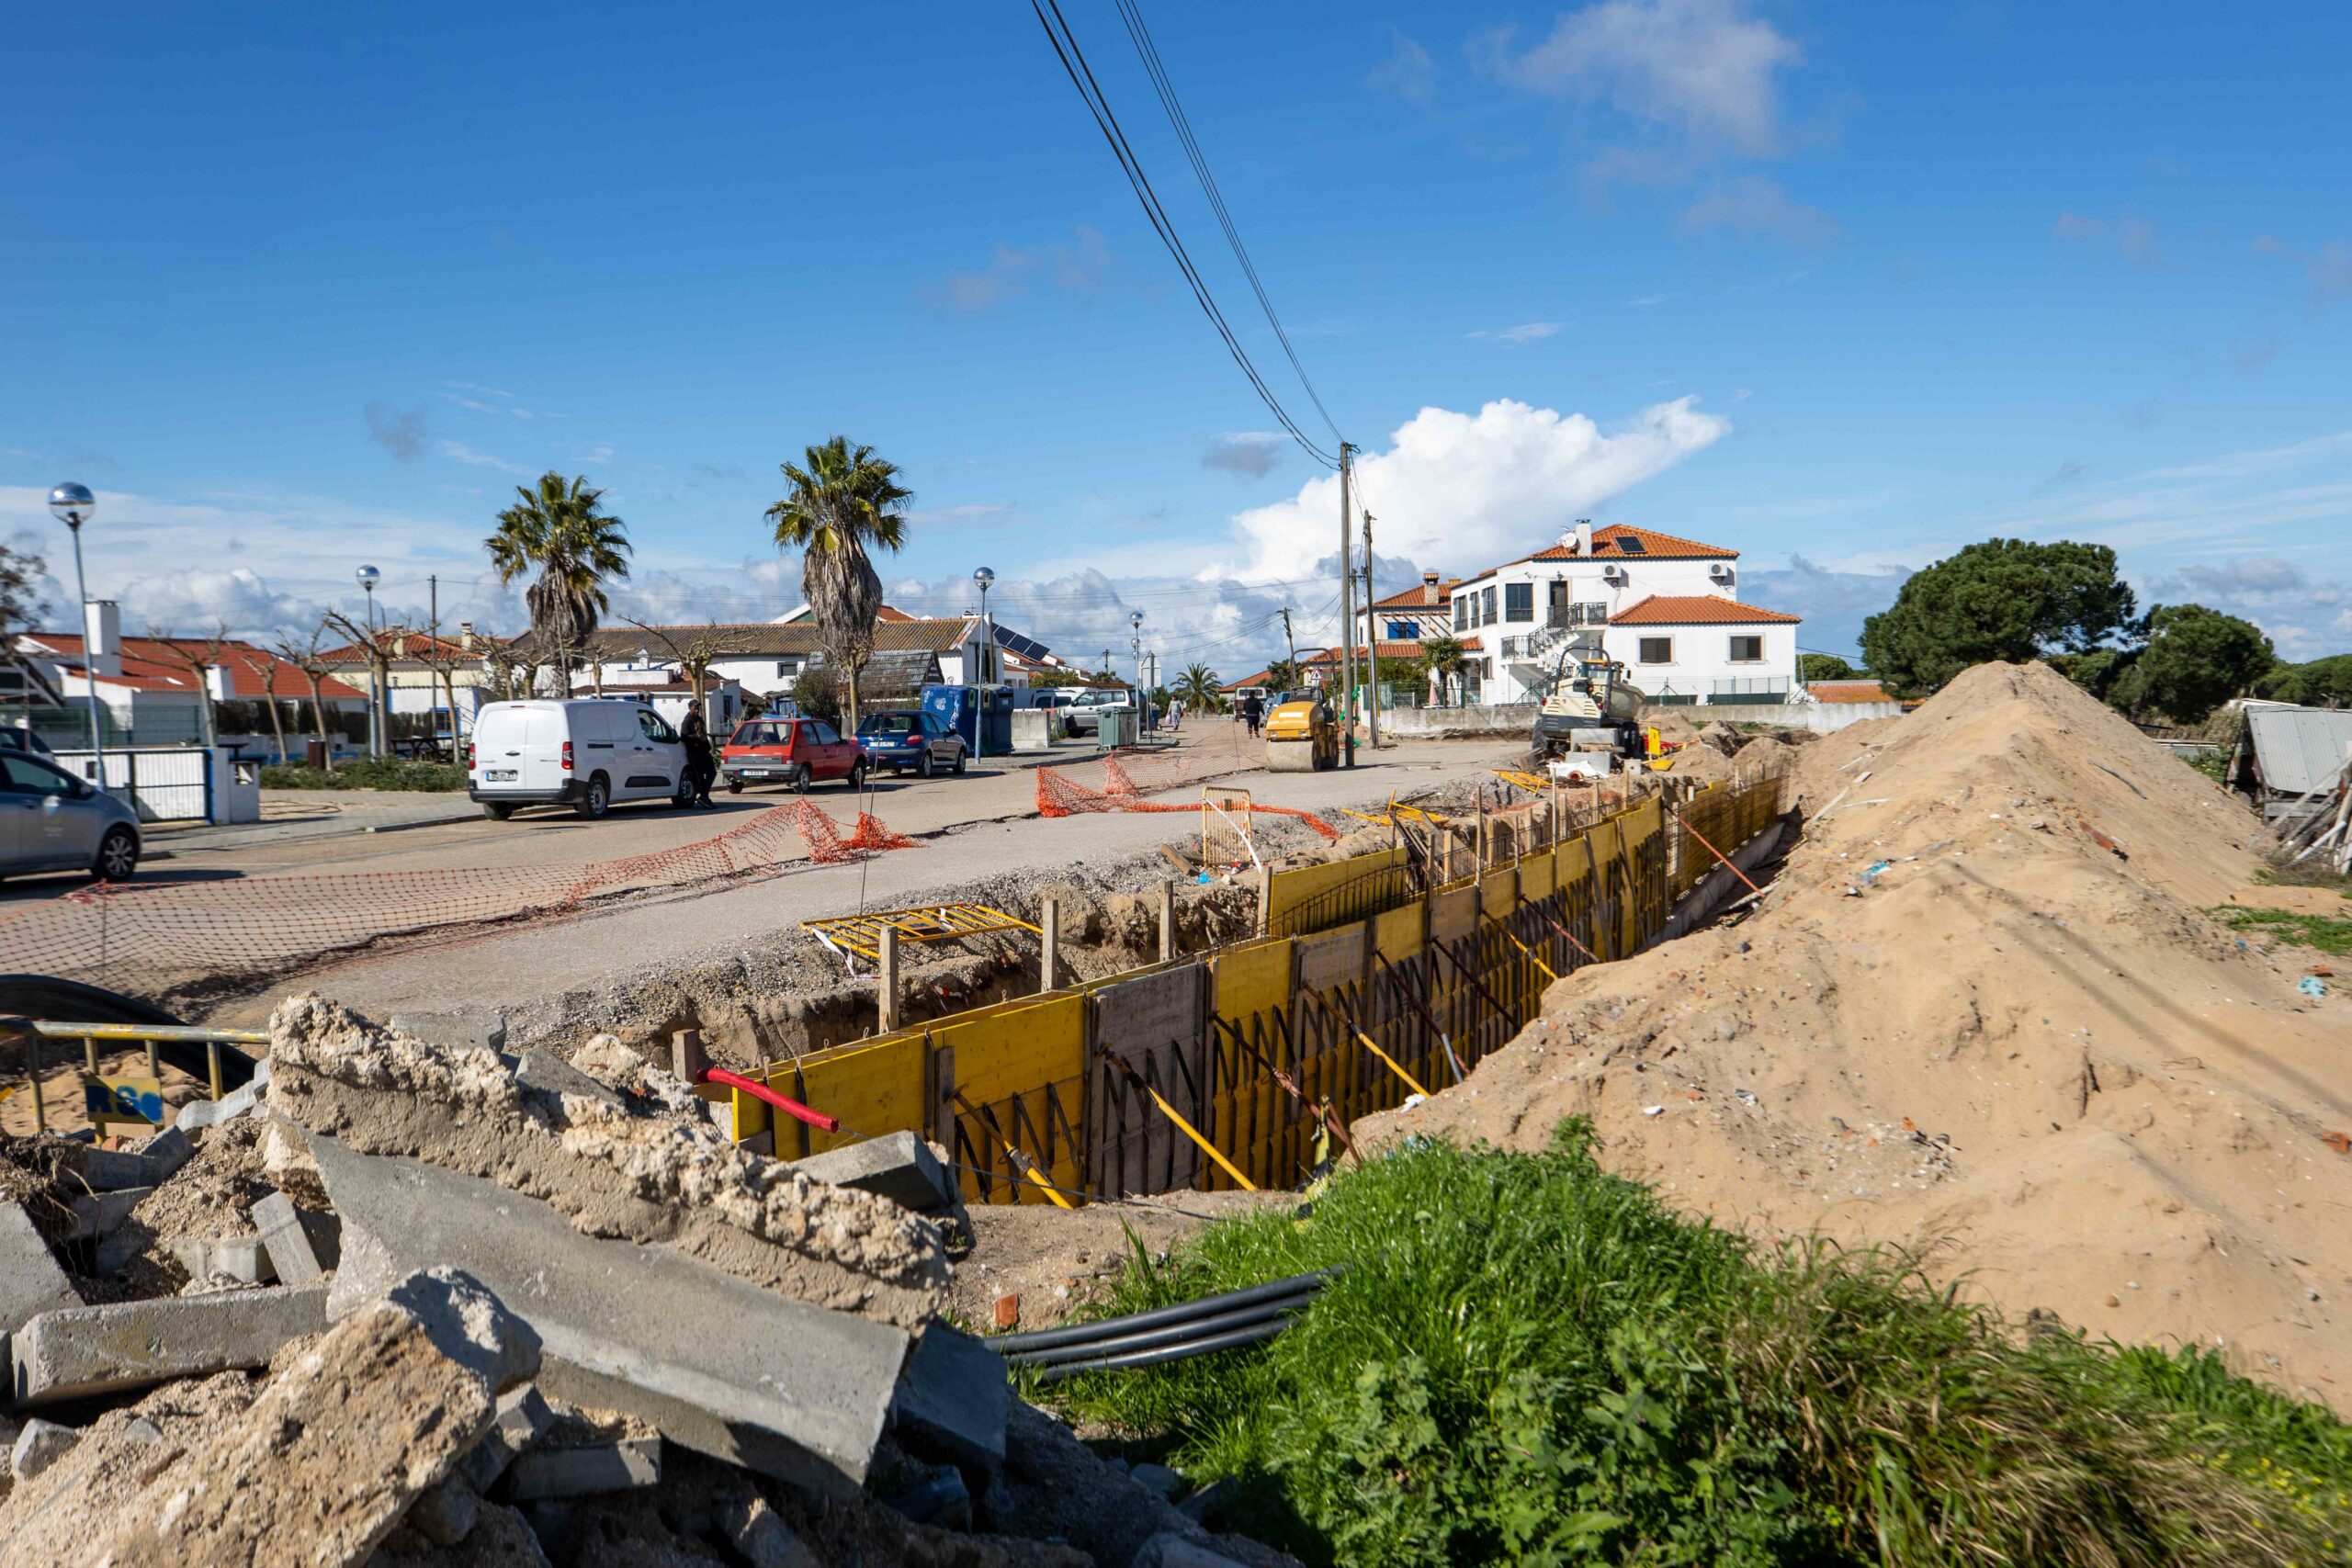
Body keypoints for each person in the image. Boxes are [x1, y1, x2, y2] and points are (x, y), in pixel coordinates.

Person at [680, 710, 717, 807]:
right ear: (690, 708)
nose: (697, 710)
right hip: (694, 752)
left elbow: (703, 732)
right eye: (695, 708)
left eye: (698, 708)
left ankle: (704, 795)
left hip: (704, 750)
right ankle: (704, 796)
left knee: (712, 772)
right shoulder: (687, 721)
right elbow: (683, 737)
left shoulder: (699, 719)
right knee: (700, 775)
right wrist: (695, 737)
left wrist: (706, 743)